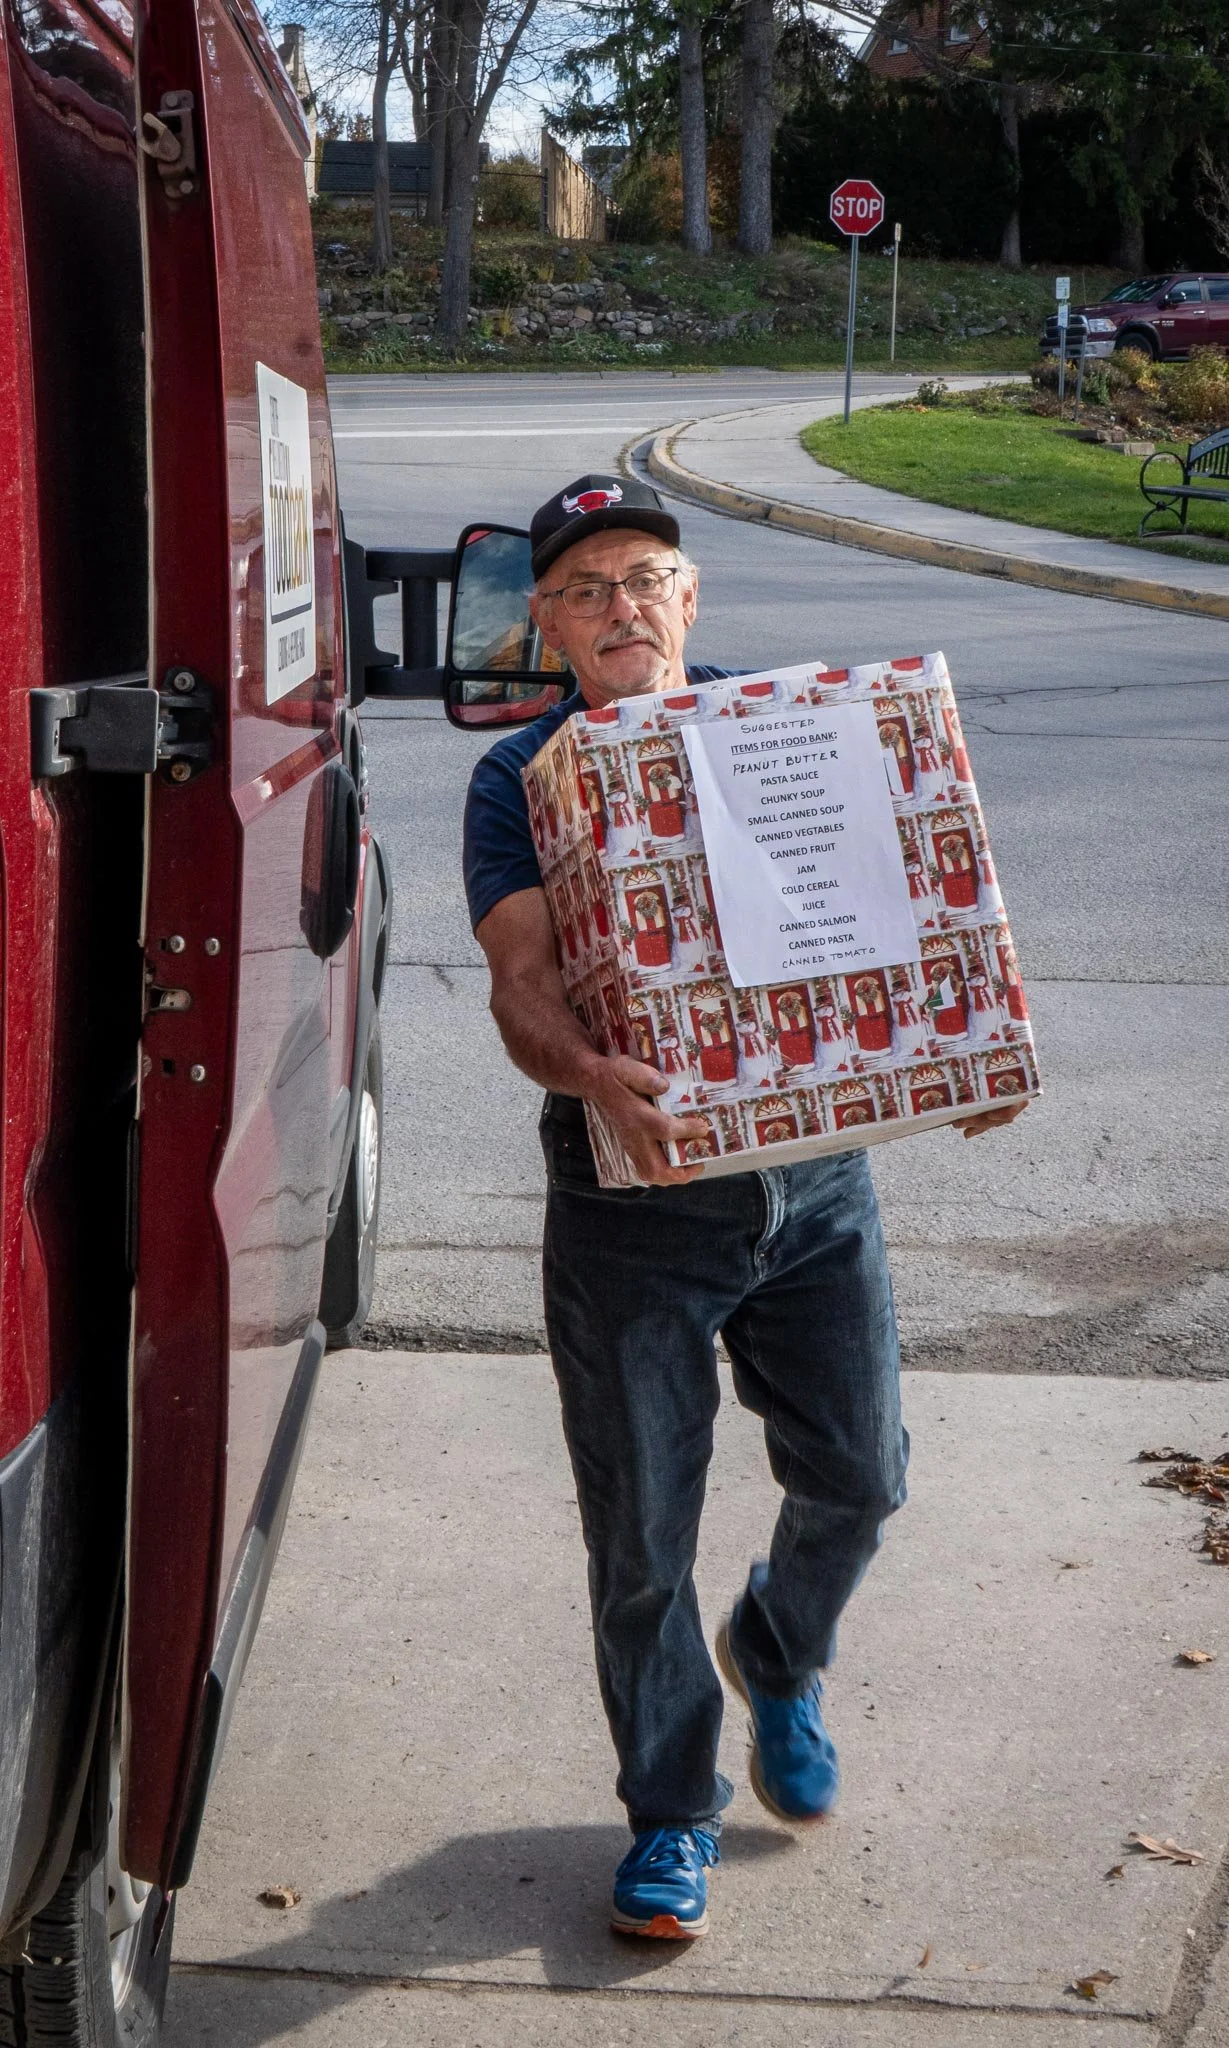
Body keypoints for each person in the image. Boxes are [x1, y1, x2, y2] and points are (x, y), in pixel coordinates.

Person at [462, 473, 1025, 1944]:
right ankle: (670, 1817)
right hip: (632, 1200)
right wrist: (588, 1066)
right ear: (547, 627)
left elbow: (911, 899)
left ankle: (778, 1655)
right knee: (641, 1531)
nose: (618, 608)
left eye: (642, 577)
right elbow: (522, 981)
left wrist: (961, 1044)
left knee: (864, 1472)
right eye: (583, 591)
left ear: (691, 597)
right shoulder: (518, 777)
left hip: (817, 1180)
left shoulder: (795, 732)